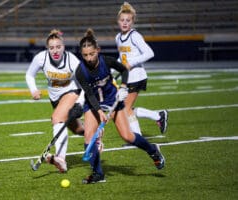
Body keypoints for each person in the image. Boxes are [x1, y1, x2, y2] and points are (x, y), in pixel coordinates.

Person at [75, 29, 165, 184]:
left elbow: (124, 70)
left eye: (92, 54)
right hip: (93, 104)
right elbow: (89, 94)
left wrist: (123, 87)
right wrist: (99, 111)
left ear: (98, 50)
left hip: (113, 101)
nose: (89, 58)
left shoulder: (107, 61)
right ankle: (98, 173)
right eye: (85, 55)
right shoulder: (80, 71)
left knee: (127, 136)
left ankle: (153, 151)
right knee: (89, 137)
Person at [25, 29, 85, 173]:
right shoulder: (41, 58)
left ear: (63, 47)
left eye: (58, 47)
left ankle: (61, 159)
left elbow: (85, 84)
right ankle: (95, 135)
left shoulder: (72, 60)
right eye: (51, 48)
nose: (55, 50)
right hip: (55, 99)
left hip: (72, 92)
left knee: (57, 118)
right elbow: (29, 75)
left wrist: (80, 102)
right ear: (47, 48)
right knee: (78, 130)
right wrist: (33, 90)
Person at [116, 2, 168, 135]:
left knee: (126, 108)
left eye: (128, 20)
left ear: (132, 22)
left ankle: (137, 138)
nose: (125, 23)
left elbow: (150, 53)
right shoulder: (118, 38)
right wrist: (109, 70)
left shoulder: (135, 36)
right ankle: (158, 116)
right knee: (127, 108)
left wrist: (131, 63)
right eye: (122, 20)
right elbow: (122, 58)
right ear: (118, 21)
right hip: (127, 78)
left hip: (137, 77)